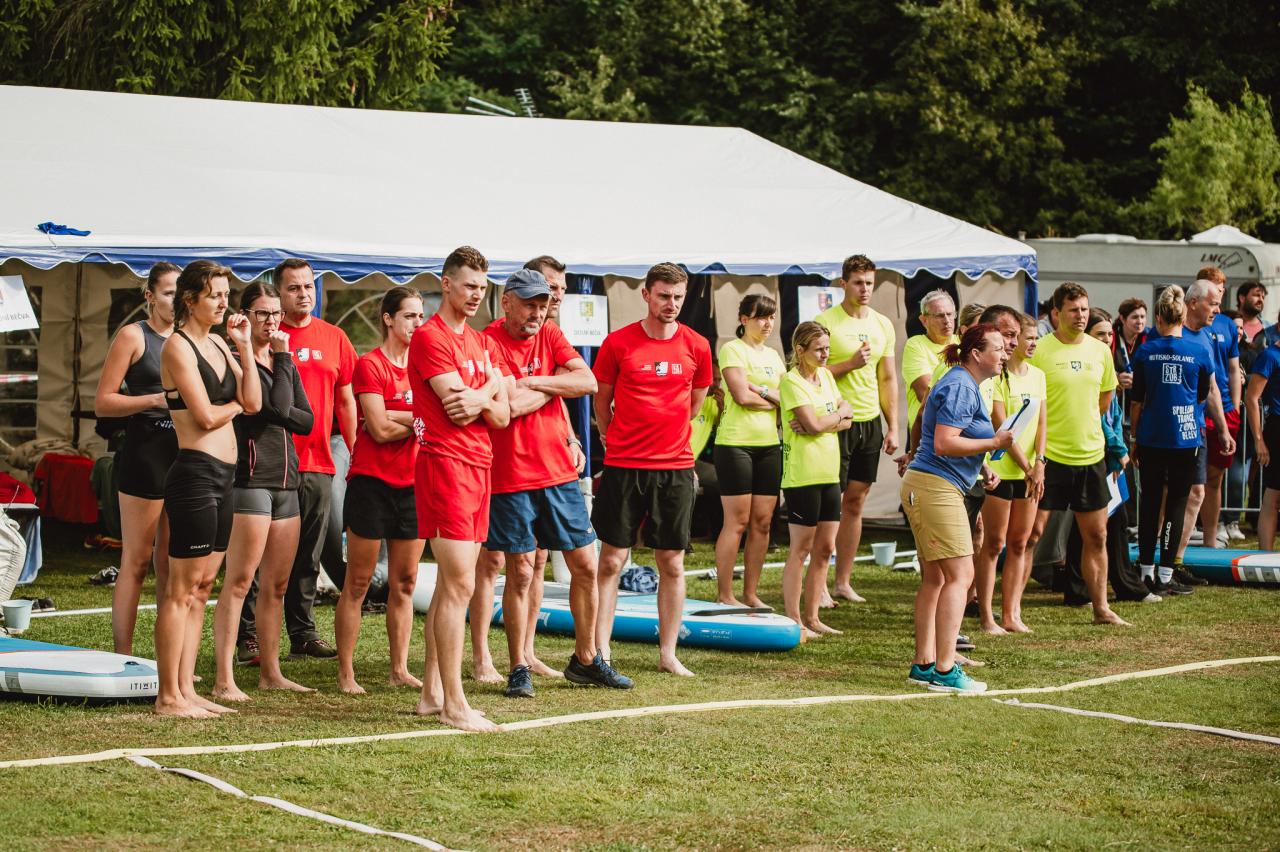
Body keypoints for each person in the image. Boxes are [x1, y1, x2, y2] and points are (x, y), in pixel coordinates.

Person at [473, 268, 631, 698]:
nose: (537, 313)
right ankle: (518, 666)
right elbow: (506, 406)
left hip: (559, 472)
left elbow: (587, 381)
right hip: (511, 475)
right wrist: (555, 387)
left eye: (543, 305)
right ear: (507, 302)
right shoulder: (486, 342)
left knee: (585, 565)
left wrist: (533, 381)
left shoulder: (551, 334)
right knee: (521, 571)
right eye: (529, 304)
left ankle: (587, 660)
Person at [592, 262, 712, 677]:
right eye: (663, 295)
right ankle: (601, 650)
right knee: (611, 561)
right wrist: (610, 436)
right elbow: (601, 400)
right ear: (646, 295)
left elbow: (694, 404)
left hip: (675, 467)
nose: (671, 304)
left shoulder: (697, 345)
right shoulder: (618, 342)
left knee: (672, 562)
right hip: (624, 465)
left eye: (677, 297)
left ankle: (668, 654)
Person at [154, 260, 261, 717]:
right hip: (195, 474)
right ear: (189, 299)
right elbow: (204, 416)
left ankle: (187, 689)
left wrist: (245, 348)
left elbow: (254, 401)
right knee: (180, 591)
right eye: (215, 295)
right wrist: (235, 405)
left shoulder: (219, 342)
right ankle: (167, 696)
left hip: (225, 476)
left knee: (202, 589)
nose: (223, 303)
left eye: (226, 294)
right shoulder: (176, 347)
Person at [410, 246, 510, 732]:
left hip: (479, 465)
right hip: (445, 465)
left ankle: (432, 695)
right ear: (446, 284)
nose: (476, 295)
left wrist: (484, 396)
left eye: (482, 288)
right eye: (469, 286)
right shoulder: (429, 337)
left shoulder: (480, 341)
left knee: (456, 585)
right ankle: (454, 703)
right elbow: (460, 408)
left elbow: (502, 415)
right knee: (459, 585)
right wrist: (490, 388)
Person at [238, 258, 357, 662]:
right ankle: (249, 637)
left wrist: (354, 452)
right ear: (278, 293)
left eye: (308, 286)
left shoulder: (335, 337)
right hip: (268, 464)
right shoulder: (264, 337)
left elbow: (345, 400)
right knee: (258, 560)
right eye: (293, 288)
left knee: (308, 556)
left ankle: (302, 633)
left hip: (319, 461)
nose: (303, 294)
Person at [212, 283, 314, 700]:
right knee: (240, 582)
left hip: (287, 481)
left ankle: (271, 672)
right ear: (245, 315)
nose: (272, 321)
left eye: (276, 314)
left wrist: (282, 368)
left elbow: (306, 421)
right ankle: (224, 679)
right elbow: (272, 410)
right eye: (263, 314)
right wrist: (285, 360)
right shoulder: (236, 359)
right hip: (250, 480)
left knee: (277, 585)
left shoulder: (279, 360)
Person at [902, 324, 1011, 694]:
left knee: (936, 578)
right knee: (961, 576)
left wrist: (982, 465)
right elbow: (945, 443)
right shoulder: (962, 385)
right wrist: (994, 442)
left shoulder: (962, 382)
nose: (1005, 354)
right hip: (935, 488)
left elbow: (936, 430)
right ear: (976, 354)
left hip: (928, 485)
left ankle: (925, 664)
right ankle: (946, 669)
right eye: (998, 348)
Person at [335, 286, 426, 695]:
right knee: (358, 582)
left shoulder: (424, 367)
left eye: (421, 316)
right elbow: (379, 429)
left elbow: (406, 421)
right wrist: (418, 420)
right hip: (371, 484)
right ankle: (346, 672)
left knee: (404, 583)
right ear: (388, 319)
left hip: (413, 485)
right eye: (409, 316)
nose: (417, 324)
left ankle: (399, 668)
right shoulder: (370, 364)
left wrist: (397, 415)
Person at [1029, 282, 1128, 627]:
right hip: (1049, 457)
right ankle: (1011, 612)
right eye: (1074, 310)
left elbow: (1105, 400)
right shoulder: (1040, 350)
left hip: (1090, 457)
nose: (1081, 315)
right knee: (1031, 535)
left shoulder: (1100, 351)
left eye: (1084, 309)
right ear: (1057, 313)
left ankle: (1101, 608)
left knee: (1096, 536)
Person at [94, 262, 180, 655]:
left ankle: (169, 662)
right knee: (136, 560)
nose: (175, 301)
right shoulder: (134, 335)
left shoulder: (190, 338)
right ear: (150, 295)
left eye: (181, 294)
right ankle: (123, 656)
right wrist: (154, 400)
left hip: (183, 458)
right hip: (144, 455)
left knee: (172, 564)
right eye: (168, 293)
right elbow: (104, 403)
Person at [816, 254, 898, 603]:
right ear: (843, 284)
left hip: (869, 422)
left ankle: (843, 582)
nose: (864, 289)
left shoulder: (883, 324)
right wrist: (848, 364)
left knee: (856, 502)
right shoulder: (825, 322)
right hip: (836, 422)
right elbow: (810, 373)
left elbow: (888, 378)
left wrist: (893, 426)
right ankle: (818, 584)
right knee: (829, 502)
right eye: (858, 283)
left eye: (869, 283)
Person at [1131, 286, 1216, 592]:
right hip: (1186, 437)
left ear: (1158, 318)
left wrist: (1134, 437)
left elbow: (1136, 401)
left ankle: (1146, 571)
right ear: (1182, 317)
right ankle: (1166, 574)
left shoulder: (1145, 351)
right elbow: (1203, 394)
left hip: (1152, 436)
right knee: (1177, 503)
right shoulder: (1200, 351)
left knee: (1150, 502)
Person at [779, 321, 852, 638]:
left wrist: (828, 420)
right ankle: (794, 619)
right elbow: (815, 423)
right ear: (800, 350)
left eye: (827, 349)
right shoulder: (791, 382)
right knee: (801, 549)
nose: (825, 355)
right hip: (802, 476)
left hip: (829, 473)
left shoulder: (826, 377)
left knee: (825, 548)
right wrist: (835, 416)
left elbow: (846, 419)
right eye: (819, 349)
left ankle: (813, 617)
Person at [1156, 278, 1236, 563]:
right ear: (1193, 303)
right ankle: (1156, 556)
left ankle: (1175, 560)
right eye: (1213, 304)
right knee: (1165, 494)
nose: (1217, 310)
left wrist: (1223, 430)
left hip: (1195, 428)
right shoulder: (1165, 334)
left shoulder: (1205, 338)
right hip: (1166, 430)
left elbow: (1212, 388)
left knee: (1196, 493)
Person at [974, 312, 1045, 634]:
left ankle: (1012, 613)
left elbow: (1042, 423)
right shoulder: (997, 378)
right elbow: (1001, 425)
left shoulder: (1038, 376)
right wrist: (1028, 467)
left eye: (1026, 337)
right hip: (1003, 470)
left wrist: (1039, 462)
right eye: (1015, 336)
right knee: (994, 543)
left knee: (1020, 542)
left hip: (1030, 472)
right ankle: (986, 615)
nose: (1021, 342)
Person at [712, 294, 785, 608]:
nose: (767, 323)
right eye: (760, 317)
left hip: (769, 445)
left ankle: (751, 593)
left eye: (771, 317)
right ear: (744, 320)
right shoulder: (732, 349)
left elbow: (790, 397)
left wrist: (763, 392)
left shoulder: (774, 355)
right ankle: (725, 593)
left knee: (763, 522)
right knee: (737, 521)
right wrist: (772, 400)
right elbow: (741, 396)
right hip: (735, 444)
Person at [1197, 267, 1242, 550]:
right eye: (1214, 286)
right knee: (1188, 480)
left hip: (1224, 408)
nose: (1220, 292)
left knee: (1215, 477)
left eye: (1222, 288)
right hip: (1197, 408)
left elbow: (1234, 369)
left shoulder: (1227, 324)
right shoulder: (1190, 321)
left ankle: (1210, 540)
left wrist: (1234, 407)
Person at [902, 290, 958, 433]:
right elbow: (927, 395)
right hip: (927, 432)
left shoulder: (962, 343)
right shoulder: (915, 345)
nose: (947, 320)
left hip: (960, 430)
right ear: (923, 320)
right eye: (939, 315)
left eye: (950, 314)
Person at [1246, 332, 1280, 549]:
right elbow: (1251, 397)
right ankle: (1265, 555)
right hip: (1277, 428)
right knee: (1273, 494)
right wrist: (1259, 440)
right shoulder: (1270, 356)